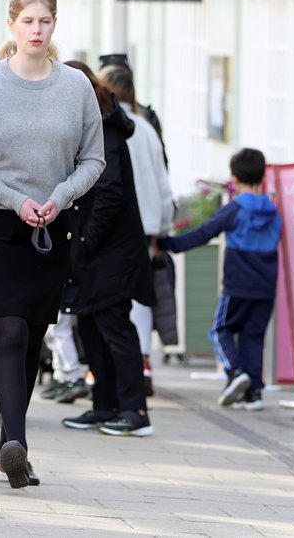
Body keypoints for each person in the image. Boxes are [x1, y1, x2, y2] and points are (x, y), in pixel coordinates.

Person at [0, 0, 105, 488]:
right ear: (11, 26)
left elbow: (94, 159)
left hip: (53, 230)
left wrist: (61, 195)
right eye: (28, 21)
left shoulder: (76, 88)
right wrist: (14, 198)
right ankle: (18, 445)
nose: (37, 30)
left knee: (33, 339)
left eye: (45, 22)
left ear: (54, 25)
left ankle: (6, 442)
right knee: (9, 332)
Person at [59, 60, 156, 438]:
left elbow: (109, 194)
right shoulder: (90, 129)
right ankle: (104, 405)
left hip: (109, 252)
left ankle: (134, 409)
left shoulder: (106, 133)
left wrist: (84, 242)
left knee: (114, 328)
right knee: (91, 328)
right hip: (92, 250)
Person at [157, 148, 281, 410]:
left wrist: (168, 243)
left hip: (237, 284)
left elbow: (204, 233)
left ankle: (235, 373)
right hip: (266, 286)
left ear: (233, 179)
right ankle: (254, 394)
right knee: (253, 336)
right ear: (262, 176)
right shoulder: (273, 211)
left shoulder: (234, 209)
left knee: (220, 330)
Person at [98, 63, 174, 396]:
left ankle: (107, 372)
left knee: (109, 300)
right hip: (146, 225)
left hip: (112, 225)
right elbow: (162, 180)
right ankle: (143, 359)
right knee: (140, 298)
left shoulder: (107, 126)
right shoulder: (145, 128)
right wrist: (163, 228)